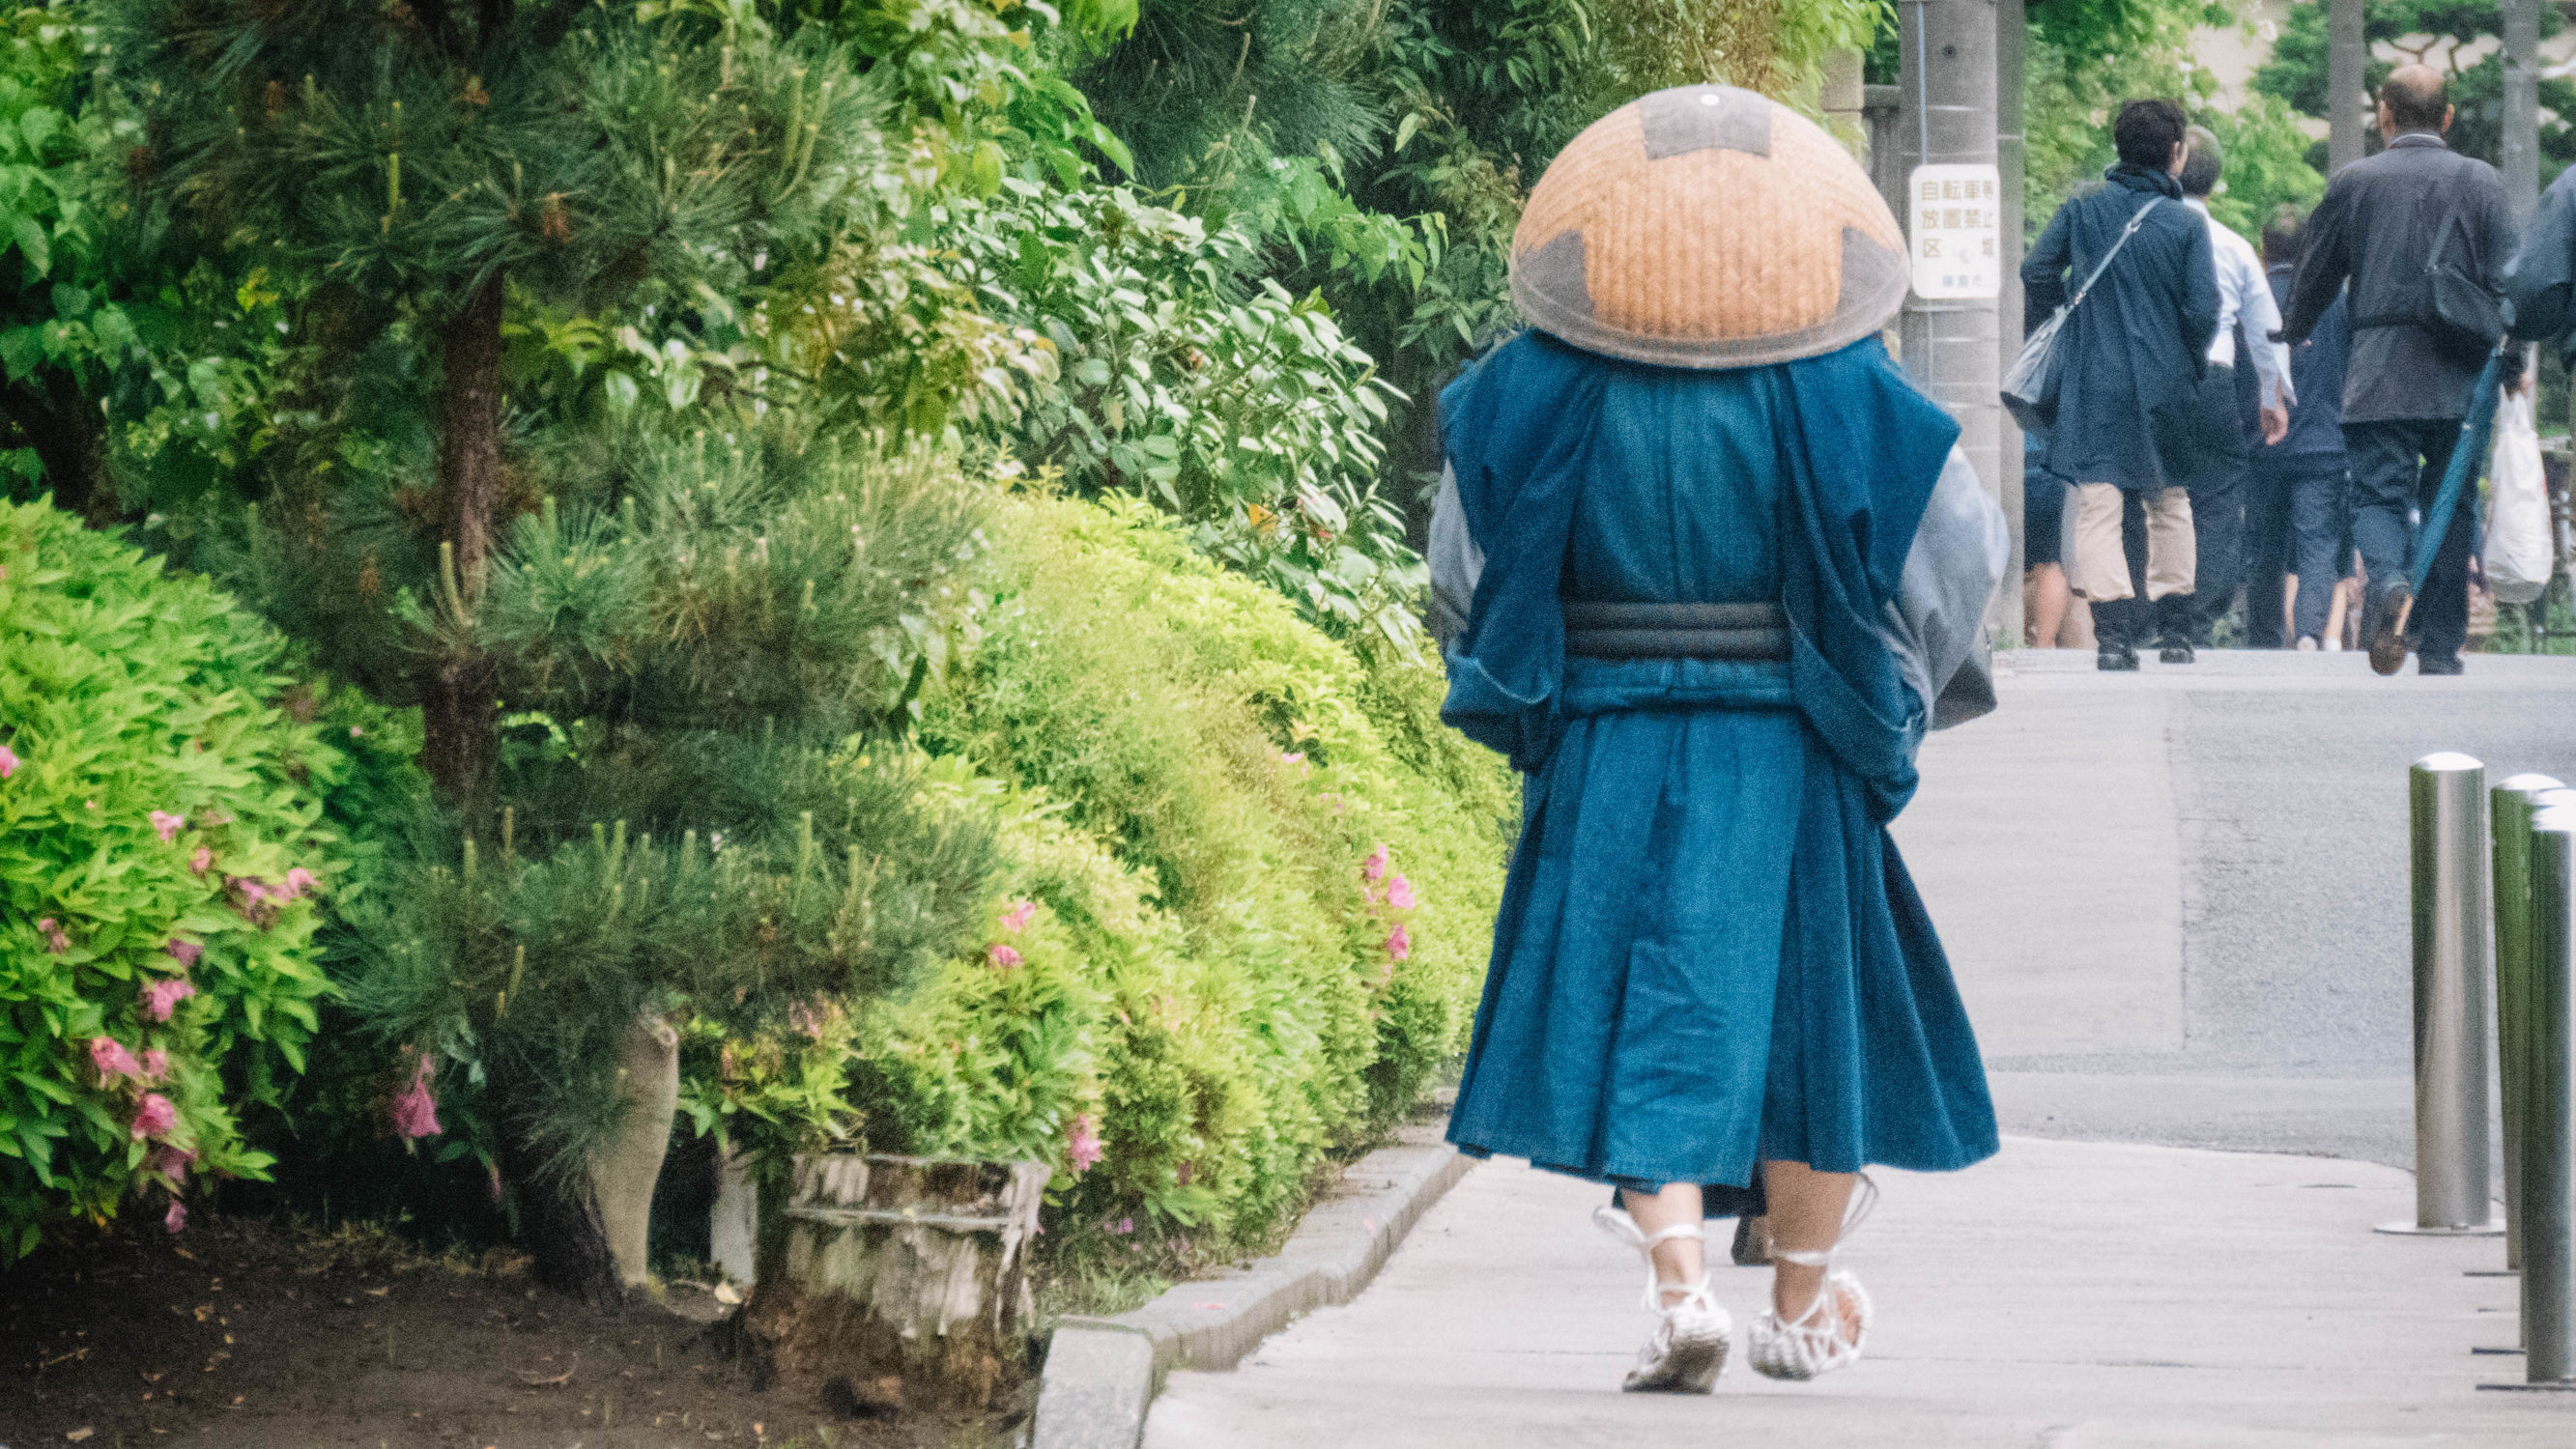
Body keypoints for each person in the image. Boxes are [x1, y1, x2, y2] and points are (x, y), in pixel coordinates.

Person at [1433, 84, 2004, 1396]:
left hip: (1608, 741)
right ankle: (1798, 1313)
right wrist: (1899, 700)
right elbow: (1947, 567)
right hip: (1793, 748)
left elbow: (1465, 580)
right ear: (1800, 237)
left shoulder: (1522, 389)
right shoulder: (1851, 389)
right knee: (1817, 1020)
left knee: (1644, 1000)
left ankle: (1680, 1281)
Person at [2283, 65, 2515, 676]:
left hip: (2378, 368)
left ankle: (2387, 581)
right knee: (2451, 499)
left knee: (2377, 495)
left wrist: (2296, 328)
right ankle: (2439, 647)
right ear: (2447, 117)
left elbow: (2317, 270)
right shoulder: (2482, 181)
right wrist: (2510, 360)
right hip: (2458, 372)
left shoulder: (2355, 181)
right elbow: (2506, 283)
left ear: (2383, 115)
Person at [2022, 99, 2220, 671]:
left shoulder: (2083, 209)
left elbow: (2035, 270)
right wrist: (2186, 358)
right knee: (2170, 503)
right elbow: (2204, 311)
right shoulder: (2185, 224)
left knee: (2099, 506)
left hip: (2094, 378)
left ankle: (2111, 639)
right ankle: (2177, 632)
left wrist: (2064, 324)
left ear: (2118, 148)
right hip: (2167, 383)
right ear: (2175, 153)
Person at [2170, 128, 2292, 650]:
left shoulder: (2140, 233)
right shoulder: (2236, 246)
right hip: (2216, 378)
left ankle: (2149, 613)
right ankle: (2196, 617)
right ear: (2216, 184)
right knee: (2217, 500)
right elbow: (2268, 330)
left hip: (2152, 382)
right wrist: (2272, 395)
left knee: (2154, 491)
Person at [2251, 206, 2356, 649]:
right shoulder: (2337, 299)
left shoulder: (2253, 296)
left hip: (2263, 440)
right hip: (2324, 441)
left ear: (2263, 244)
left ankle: (2263, 633)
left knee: (2263, 541)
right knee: (2317, 541)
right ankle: (2310, 633)